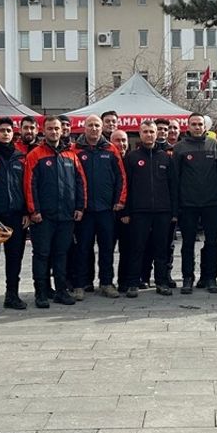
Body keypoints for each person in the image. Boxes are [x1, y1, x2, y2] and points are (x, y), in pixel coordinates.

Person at [25, 116, 86, 307]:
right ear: (44, 131)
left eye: (57, 128)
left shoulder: (71, 155)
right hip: (43, 216)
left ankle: (61, 291)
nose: (54, 132)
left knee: (61, 254)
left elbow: (80, 182)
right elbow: (29, 184)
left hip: (66, 215)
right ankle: (41, 293)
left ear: (62, 130)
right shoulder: (35, 154)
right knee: (42, 255)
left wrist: (79, 207)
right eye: (50, 128)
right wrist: (34, 210)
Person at [121, 120, 179, 297]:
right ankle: (133, 283)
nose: (149, 135)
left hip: (163, 211)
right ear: (140, 134)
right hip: (139, 212)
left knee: (161, 248)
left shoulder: (166, 158)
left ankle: (161, 282)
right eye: (145, 132)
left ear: (157, 134)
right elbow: (126, 186)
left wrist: (174, 212)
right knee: (136, 248)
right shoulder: (132, 158)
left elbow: (173, 186)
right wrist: (125, 211)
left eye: (151, 132)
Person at [72, 115, 126, 299]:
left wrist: (120, 200)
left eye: (97, 125)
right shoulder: (75, 150)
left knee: (107, 249)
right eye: (90, 125)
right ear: (84, 128)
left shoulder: (110, 149)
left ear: (102, 128)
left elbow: (121, 177)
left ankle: (106, 283)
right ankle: (79, 285)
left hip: (106, 210)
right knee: (82, 249)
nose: (94, 129)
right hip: (85, 211)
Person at [174, 112, 217, 294]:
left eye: (200, 124)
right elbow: (176, 179)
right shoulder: (180, 148)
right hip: (188, 204)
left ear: (206, 127)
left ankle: (210, 277)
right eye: (194, 124)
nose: (197, 127)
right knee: (187, 243)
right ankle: (188, 278)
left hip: (212, 203)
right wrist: (177, 205)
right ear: (188, 126)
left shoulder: (215, 145)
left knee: (211, 242)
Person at [0, 117, 31, 310]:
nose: (6, 133)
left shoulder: (20, 157)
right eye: (2, 130)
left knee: (15, 258)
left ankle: (12, 294)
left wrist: (27, 211)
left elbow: (26, 186)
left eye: (9, 130)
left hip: (16, 215)